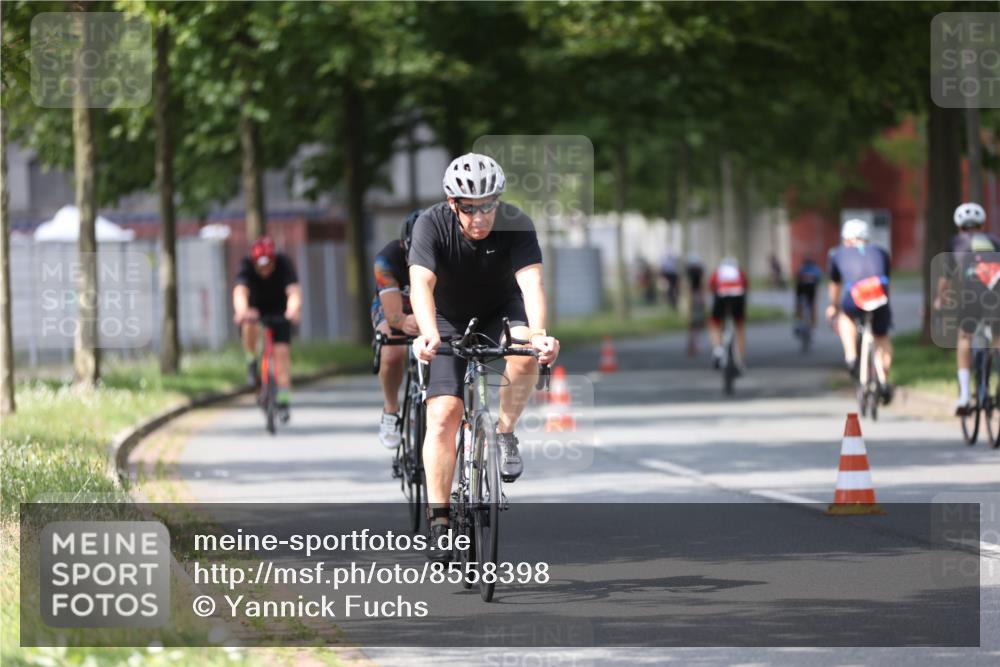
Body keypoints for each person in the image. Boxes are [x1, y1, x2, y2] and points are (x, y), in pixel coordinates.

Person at [409, 153, 560, 560]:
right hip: (446, 317)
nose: (480, 217)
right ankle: (439, 522)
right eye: (469, 208)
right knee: (443, 414)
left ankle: (505, 433)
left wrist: (542, 336)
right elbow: (420, 284)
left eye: (488, 205)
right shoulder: (431, 223)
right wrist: (427, 335)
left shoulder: (517, 223)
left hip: (501, 310)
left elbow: (531, 285)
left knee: (527, 351)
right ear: (451, 201)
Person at [934, 202, 1000, 415]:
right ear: (982, 225)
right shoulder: (995, 241)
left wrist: (940, 300)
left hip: (972, 293)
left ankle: (963, 396)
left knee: (964, 337)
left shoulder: (954, 242)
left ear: (960, 226)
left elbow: (945, 279)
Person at [233, 237, 302, 422]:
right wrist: (242, 311)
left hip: (280, 311)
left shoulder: (284, 264)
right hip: (255, 310)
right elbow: (240, 292)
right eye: (260, 266)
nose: (264, 270)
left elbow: (294, 292)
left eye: (268, 264)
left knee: (282, 354)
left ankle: (284, 400)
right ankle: (251, 360)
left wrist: (293, 310)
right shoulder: (246, 265)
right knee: (249, 325)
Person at [826, 218, 893, 404]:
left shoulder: (837, 253)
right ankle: (884, 379)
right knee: (882, 338)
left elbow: (835, 284)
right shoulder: (881, 252)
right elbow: (887, 282)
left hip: (856, 295)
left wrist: (833, 305)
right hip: (880, 295)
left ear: (845, 239)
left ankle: (851, 356)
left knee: (845, 316)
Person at [371, 210, 423, 448]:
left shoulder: (448, 255)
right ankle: (391, 408)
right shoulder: (387, 260)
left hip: (430, 310)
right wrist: (403, 323)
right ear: (405, 245)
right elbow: (393, 316)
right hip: (393, 306)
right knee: (393, 352)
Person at [708, 256, 748, 371]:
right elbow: (745, 287)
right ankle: (740, 360)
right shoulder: (739, 272)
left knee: (715, 323)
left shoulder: (718, 271)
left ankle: (718, 349)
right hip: (738, 295)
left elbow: (711, 286)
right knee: (739, 327)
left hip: (721, 295)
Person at [794, 257, 824, 331]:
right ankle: (813, 323)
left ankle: (798, 319)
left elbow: (797, 276)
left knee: (798, 302)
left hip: (801, 286)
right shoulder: (816, 268)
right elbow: (818, 279)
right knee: (813, 304)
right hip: (811, 286)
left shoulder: (803, 267)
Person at [685, 252, 706, 356]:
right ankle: (693, 345)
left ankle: (692, 345)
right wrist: (703, 300)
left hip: (689, 299)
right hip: (696, 298)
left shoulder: (687, 273)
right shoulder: (699, 272)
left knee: (692, 324)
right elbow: (701, 287)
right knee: (695, 323)